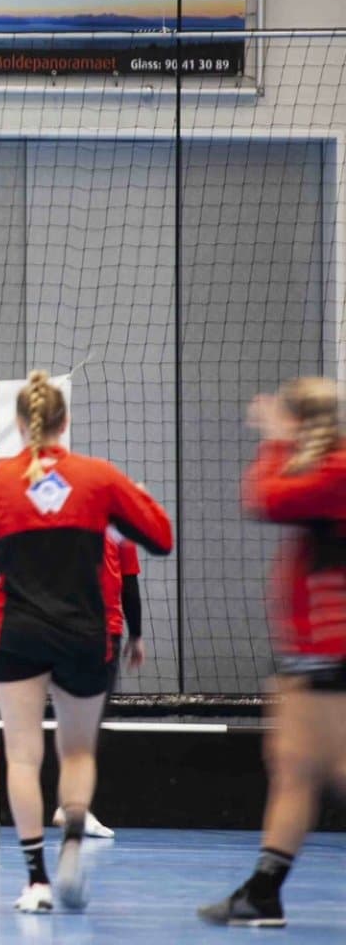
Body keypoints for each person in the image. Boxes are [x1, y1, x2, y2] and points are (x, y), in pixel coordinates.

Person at [0, 371, 172, 915]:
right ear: (63, 422)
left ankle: (36, 881)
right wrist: (137, 501)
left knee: (23, 758)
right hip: (85, 634)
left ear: (21, 424)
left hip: (19, 633)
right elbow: (161, 538)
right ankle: (74, 842)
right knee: (76, 750)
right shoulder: (97, 478)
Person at [200, 378, 346, 928]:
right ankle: (263, 892)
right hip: (310, 648)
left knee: (323, 767)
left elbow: (265, 496)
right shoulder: (326, 468)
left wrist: (278, 439)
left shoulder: (335, 470)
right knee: (293, 766)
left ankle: (263, 892)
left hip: (331, 648)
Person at [52, 532, 143, 841]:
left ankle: (69, 804)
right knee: (88, 724)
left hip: (64, 631)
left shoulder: (65, 514)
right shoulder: (119, 525)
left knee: (72, 720)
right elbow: (130, 583)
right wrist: (137, 636)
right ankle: (74, 807)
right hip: (101, 633)